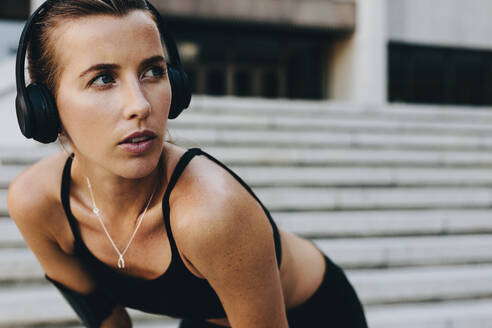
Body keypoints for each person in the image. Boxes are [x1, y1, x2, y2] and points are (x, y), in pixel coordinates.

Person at [7, 1, 368, 327]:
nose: (140, 105)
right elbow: (108, 323)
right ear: (45, 106)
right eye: (103, 79)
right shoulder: (36, 203)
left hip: (312, 315)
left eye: (152, 72)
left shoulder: (211, 211)